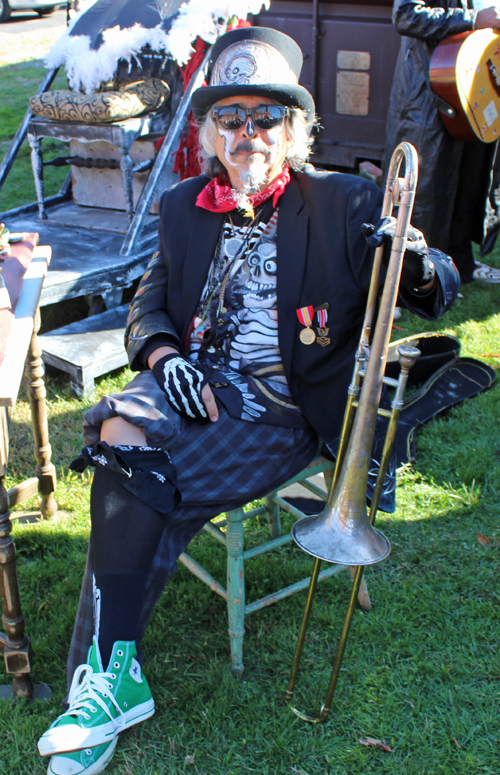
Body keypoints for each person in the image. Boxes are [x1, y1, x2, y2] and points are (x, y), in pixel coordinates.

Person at [37, 27, 460, 775]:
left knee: (129, 468)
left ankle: (99, 683)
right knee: (124, 428)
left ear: (294, 130)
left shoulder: (341, 200)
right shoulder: (180, 207)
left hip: (282, 411)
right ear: (208, 133)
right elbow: (148, 306)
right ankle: (108, 681)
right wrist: (162, 356)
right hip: (193, 388)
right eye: (230, 119)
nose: (248, 134)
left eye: (266, 118)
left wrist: (416, 257)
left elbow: (432, 292)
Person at [385, 0, 500, 284]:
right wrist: (473, 19)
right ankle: (420, 276)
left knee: (470, 181)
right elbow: (405, 15)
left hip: (473, 84)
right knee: (428, 190)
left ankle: (461, 264)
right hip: (429, 91)